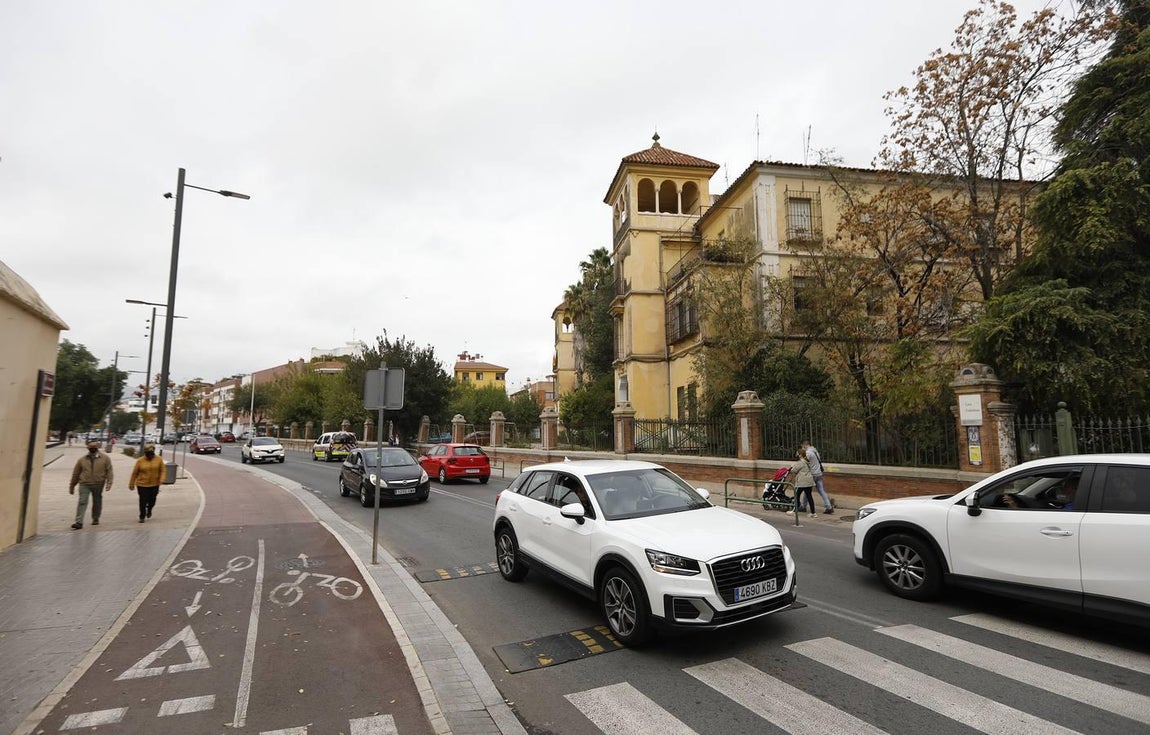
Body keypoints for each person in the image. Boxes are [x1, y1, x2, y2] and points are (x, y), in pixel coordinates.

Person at [69, 440, 114, 529]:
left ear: (98, 447)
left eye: (94, 447)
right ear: (88, 448)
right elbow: (76, 473)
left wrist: (109, 482)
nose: (92, 448)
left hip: (98, 483)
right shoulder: (82, 460)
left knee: (97, 501)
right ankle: (79, 522)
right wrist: (72, 485)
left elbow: (109, 471)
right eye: (90, 447)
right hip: (84, 483)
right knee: (82, 501)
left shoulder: (105, 458)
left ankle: (96, 518)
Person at [129, 443, 166, 523]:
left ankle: (149, 509)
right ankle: (142, 516)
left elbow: (163, 470)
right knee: (143, 500)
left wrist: (162, 479)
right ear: (145, 453)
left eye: (151, 454)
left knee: (152, 499)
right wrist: (131, 483)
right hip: (142, 484)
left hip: (154, 483)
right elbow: (135, 473)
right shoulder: (140, 460)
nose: (150, 456)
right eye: (148, 454)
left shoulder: (159, 459)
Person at [803, 440, 834, 514]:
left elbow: (804, 462)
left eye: (803, 446)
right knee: (821, 490)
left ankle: (803, 506)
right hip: (819, 473)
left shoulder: (808, 453)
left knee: (807, 491)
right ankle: (829, 507)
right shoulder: (815, 451)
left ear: (805, 445)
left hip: (812, 474)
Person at [787, 448, 817, 518]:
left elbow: (794, 470)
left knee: (796, 495)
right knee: (809, 496)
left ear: (800, 455)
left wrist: (792, 466)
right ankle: (813, 513)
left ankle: (794, 511)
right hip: (809, 481)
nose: (796, 454)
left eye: (797, 453)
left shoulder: (801, 462)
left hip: (802, 482)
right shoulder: (807, 461)